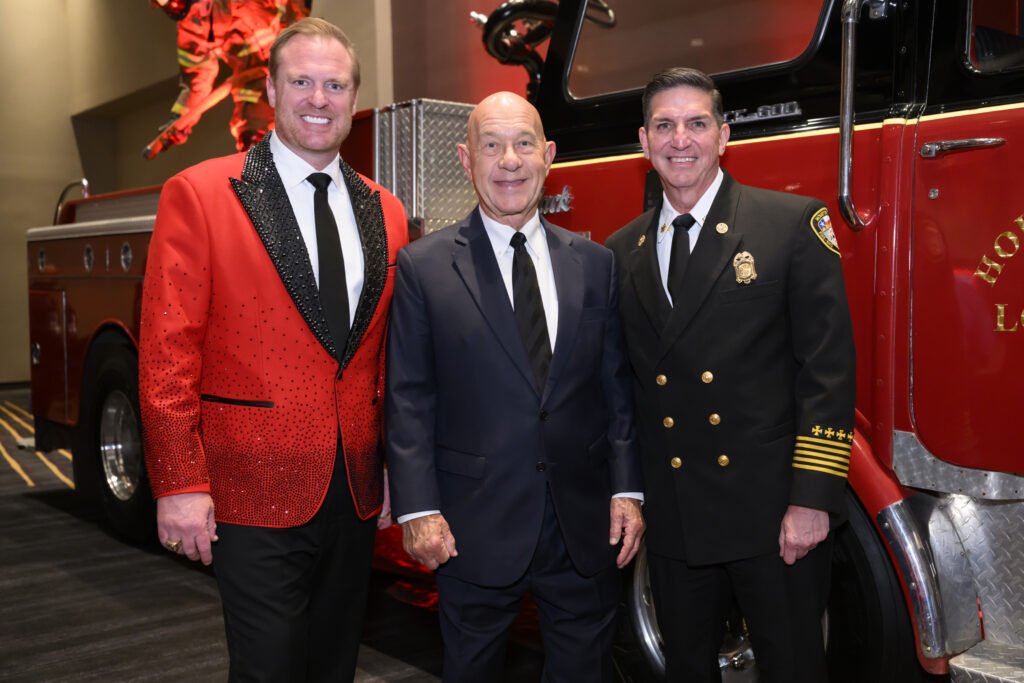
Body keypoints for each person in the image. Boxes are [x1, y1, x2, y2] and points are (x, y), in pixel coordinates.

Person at [138, 17, 408, 681]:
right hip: (248, 487)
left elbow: (386, 357)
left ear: (354, 97)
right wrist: (179, 483)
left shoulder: (388, 210)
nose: (319, 98)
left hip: (354, 489)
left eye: (335, 85)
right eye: (301, 82)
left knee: (334, 664)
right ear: (271, 90)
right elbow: (168, 354)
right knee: (269, 667)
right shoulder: (200, 193)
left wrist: (397, 469)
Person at [605, 67, 856, 683]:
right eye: (664, 125)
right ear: (643, 141)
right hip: (676, 518)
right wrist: (629, 493)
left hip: (772, 516)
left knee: (793, 669)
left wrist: (812, 499)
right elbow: (623, 390)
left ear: (723, 136)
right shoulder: (620, 250)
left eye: (696, 123)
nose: (679, 140)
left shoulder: (789, 224)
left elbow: (827, 371)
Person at [386, 91, 645, 682]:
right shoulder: (423, 267)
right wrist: (418, 509)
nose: (510, 160)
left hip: (583, 527)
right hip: (471, 527)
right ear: (466, 158)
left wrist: (628, 490)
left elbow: (615, 389)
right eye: (492, 145)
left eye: (524, 144)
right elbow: (408, 398)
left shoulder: (596, 263)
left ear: (548, 156)